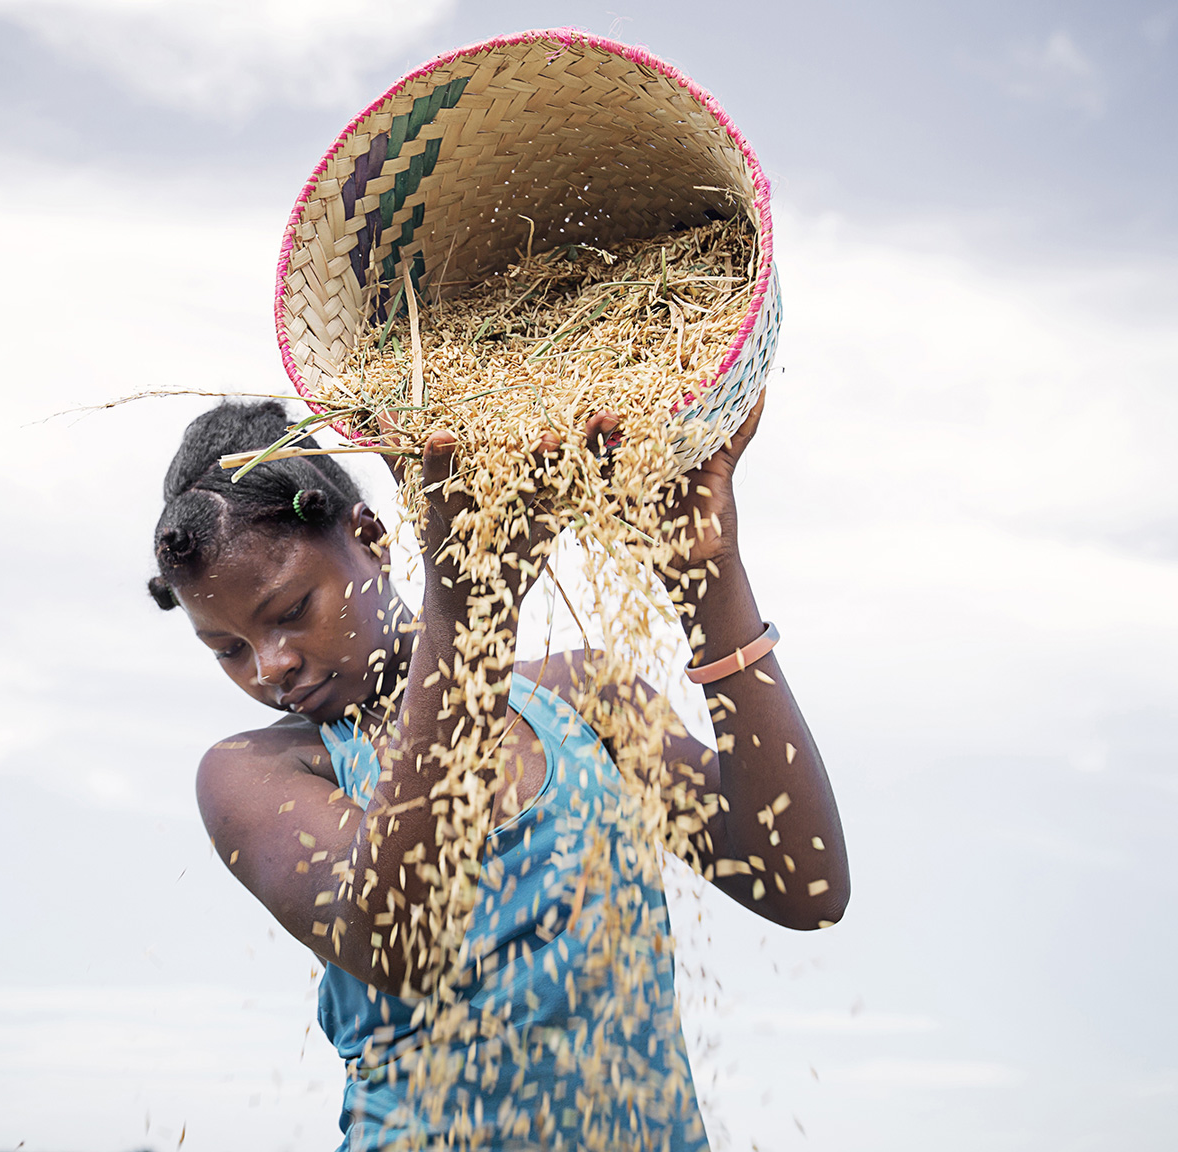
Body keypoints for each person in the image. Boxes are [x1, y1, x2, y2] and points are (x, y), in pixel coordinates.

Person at [146, 398, 849, 1150]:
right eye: (227, 649)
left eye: (290, 609)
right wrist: (469, 613)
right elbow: (403, 948)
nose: (271, 664)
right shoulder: (257, 773)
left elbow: (802, 885)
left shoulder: (581, 698)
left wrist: (708, 577)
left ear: (370, 540)